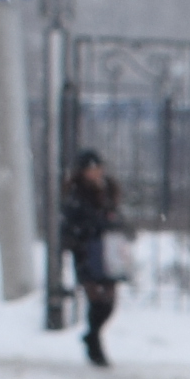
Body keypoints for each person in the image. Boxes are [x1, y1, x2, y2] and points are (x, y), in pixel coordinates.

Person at [58, 149, 124, 366]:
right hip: (87, 252)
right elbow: (73, 225)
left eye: (98, 168)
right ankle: (95, 345)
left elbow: (117, 218)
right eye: (92, 169)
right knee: (96, 298)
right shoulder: (76, 195)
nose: (96, 173)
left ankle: (92, 336)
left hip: (108, 251)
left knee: (110, 300)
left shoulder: (109, 191)